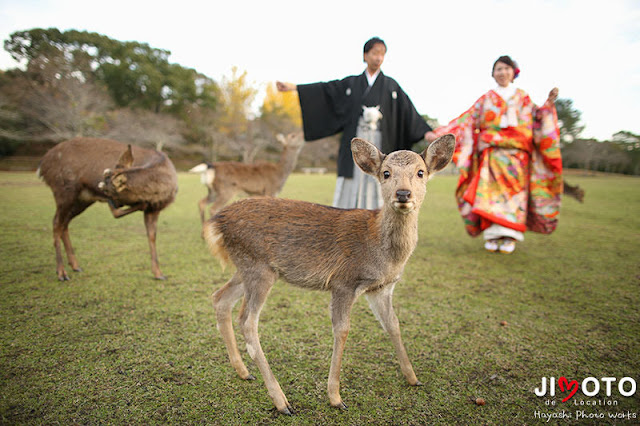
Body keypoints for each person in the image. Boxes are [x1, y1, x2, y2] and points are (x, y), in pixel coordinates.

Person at [425, 55, 562, 254]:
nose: (502, 72)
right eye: (498, 69)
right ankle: (493, 235)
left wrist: (548, 105)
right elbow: (467, 120)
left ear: (514, 72)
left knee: (514, 197)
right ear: (493, 74)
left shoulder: (522, 97)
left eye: (506, 68)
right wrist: (440, 134)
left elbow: (538, 118)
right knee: (491, 196)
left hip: (518, 157)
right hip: (493, 156)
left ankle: (509, 237)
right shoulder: (487, 99)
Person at [277, 37, 432, 209]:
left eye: (382, 54)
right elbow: (327, 90)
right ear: (365, 55)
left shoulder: (391, 86)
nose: (378, 58)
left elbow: (407, 112)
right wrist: (294, 87)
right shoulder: (351, 83)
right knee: (353, 179)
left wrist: (426, 132)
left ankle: (379, 219)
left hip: (381, 144)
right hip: (356, 142)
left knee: (382, 174)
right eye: (374, 53)